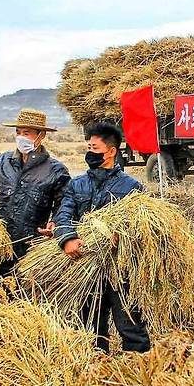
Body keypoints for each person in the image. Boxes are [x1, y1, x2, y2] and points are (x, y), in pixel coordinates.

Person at [53, 122, 151, 353]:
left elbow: (140, 226)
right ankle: (97, 367)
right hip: (84, 264)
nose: (90, 153)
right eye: (89, 147)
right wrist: (67, 239)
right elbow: (64, 214)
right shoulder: (76, 184)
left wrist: (123, 237)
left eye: (95, 148)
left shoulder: (131, 187)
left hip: (120, 269)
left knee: (129, 324)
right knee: (90, 325)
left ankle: (138, 369)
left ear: (111, 151)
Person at [0, 109, 71, 275]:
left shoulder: (55, 170)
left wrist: (55, 222)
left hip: (30, 248)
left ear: (41, 136)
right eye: (18, 132)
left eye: (27, 133)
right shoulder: (2, 162)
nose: (21, 137)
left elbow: (65, 204)